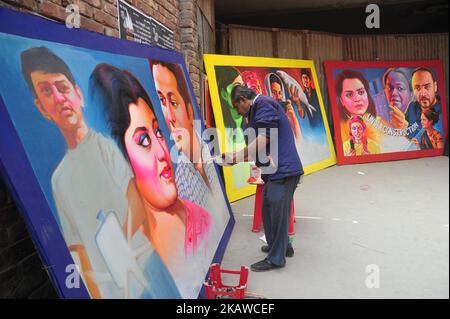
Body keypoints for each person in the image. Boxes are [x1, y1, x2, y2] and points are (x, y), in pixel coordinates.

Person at [20, 47, 145, 299]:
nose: (58, 98)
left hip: (145, 273)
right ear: (41, 107)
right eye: (46, 91)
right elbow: (79, 252)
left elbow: (137, 204)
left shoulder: (107, 146)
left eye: (62, 87)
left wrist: (118, 250)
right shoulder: (59, 180)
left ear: (78, 94)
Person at [90, 64, 212, 298]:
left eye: (157, 133)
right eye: (144, 140)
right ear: (121, 161)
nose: (161, 152)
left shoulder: (201, 222)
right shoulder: (124, 258)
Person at [223, 85, 303, 272]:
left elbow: (265, 138)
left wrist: (235, 156)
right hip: (275, 171)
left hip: (283, 170)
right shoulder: (256, 112)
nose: (237, 111)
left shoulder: (264, 104)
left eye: (236, 107)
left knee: (277, 212)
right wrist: (233, 159)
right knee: (268, 209)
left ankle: (276, 258)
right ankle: (283, 246)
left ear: (243, 100)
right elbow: (256, 149)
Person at [151, 61, 224, 213]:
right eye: (162, 102)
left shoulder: (208, 150)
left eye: (173, 102)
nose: (169, 117)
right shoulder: (180, 181)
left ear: (190, 112)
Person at [390, 67, 443, 139]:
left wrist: (406, 127)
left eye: (427, 87)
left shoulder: (443, 111)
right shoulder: (412, 106)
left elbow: (428, 139)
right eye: (417, 88)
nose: (423, 93)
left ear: (435, 87)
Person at [265, 73, 303, 143]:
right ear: (268, 91)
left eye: (279, 93)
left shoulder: (286, 109)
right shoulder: (264, 113)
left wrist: (293, 118)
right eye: (274, 92)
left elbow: (300, 141)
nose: (278, 96)